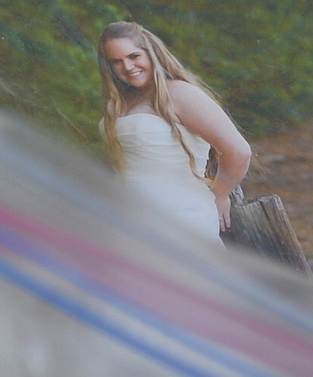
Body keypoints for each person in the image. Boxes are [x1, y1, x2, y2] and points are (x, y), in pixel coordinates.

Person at [96, 21, 251, 241]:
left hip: (181, 217)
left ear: (151, 53)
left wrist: (221, 194)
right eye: (116, 62)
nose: (128, 67)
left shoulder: (179, 94)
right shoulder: (120, 103)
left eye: (134, 56)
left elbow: (238, 151)